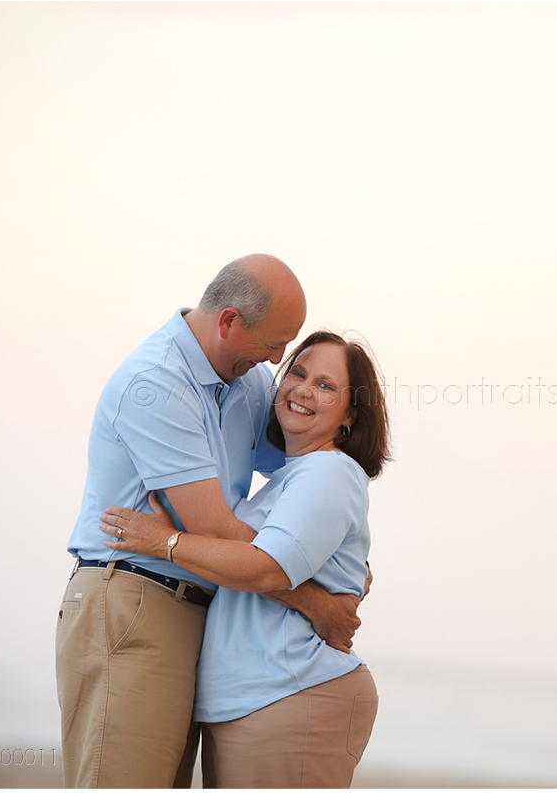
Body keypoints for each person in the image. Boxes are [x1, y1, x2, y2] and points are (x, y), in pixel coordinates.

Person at [56, 256, 363, 789]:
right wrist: (321, 601)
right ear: (229, 322)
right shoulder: (156, 383)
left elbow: (309, 466)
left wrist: (340, 558)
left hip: (197, 609)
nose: (277, 361)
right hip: (134, 599)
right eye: (274, 345)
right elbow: (218, 530)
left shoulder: (243, 383)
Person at [98, 329, 391, 788]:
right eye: (297, 371)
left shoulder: (329, 471)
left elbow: (264, 567)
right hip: (257, 698)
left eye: (327, 385)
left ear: (351, 413)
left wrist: (165, 542)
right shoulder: (295, 477)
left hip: (291, 691)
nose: (303, 389)